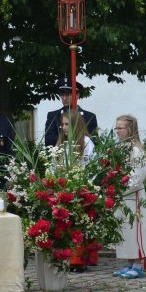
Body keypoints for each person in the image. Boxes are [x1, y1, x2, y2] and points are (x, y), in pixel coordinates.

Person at [112, 114, 146, 279]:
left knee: (136, 229)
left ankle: (138, 264)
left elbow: (136, 179)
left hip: (133, 195)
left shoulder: (137, 151)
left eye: (120, 128)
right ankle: (130, 262)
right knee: (125, 230)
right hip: (122, 196)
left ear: (130, 129)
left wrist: (118, 189)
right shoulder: (123, 148)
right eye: (116, 128)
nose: (117, 131)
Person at [55, 111, 97, 272]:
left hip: (80, 188)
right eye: (63, 124)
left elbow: (90, 167)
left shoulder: (86, 142)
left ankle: (78, 260)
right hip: (64, 188)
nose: (64, 127)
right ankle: (66, 258)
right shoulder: (63, 142)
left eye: (67, 124)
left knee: (78, 227)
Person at [44, 76, 98, 147]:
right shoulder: (53, 116)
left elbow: (95, 141)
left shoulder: (89, 117)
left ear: (77, 95)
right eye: (62, 95)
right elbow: (48, 141)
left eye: (68, 95)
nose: (64, 98)